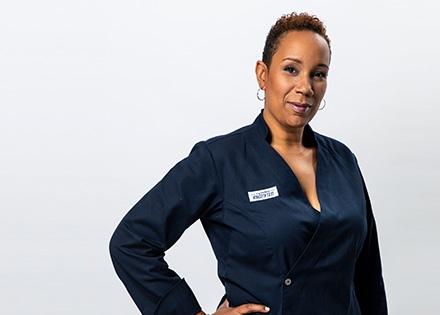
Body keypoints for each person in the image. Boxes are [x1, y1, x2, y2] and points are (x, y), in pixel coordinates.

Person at [109, 12, 388, 315]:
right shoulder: (219, 161)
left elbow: (367, 273)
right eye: (291, 69)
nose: (305, 86)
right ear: (263, 74)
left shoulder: (343, 160)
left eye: (318, 74)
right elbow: (131, 242)